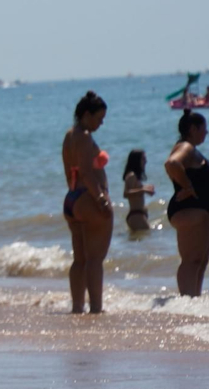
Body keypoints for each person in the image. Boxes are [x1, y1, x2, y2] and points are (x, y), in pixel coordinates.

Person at [61, 91, 112, 313]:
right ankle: (96, 309)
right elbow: (86, 172)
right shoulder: (84, 137)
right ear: (86, 115)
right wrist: (101, 199)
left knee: (80, 260)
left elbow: (70, 172)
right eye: (99, 118)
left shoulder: (69, 136)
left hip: (72, 199)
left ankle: (77, 307)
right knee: (95, 259)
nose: (101, 123)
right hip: (88, 198)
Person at [165, 109, 209, 296]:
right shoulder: (185, 147)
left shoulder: (190, 149)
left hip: (198, 213)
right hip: (189, 211)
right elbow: (171, 164)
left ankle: (194, 301)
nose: (206, 132)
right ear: (193, 129)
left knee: (200, 262)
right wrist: (187, 186)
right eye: (204, 128)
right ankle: (187, 302)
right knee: (192, 261)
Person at [121, 149, 154, 233]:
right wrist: (143, 190)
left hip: (139, 215)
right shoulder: (131, 175)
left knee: (143, 238)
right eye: (143, 159)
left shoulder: (135, 176)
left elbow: (135, 190)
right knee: (147, 236)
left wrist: (146, 188)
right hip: (136, 215)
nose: (146, 161)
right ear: (136, 160)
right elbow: (126, 193)